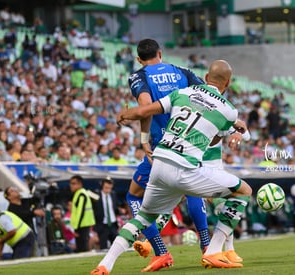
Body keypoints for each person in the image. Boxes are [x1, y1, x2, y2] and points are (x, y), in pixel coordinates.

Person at [91, 60, 251, 274]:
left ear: (205, 77)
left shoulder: (182, 93)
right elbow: (213, 141)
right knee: (244, 191)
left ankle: (104, 265)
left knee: (142, 218)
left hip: (160, 163)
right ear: (228, 83)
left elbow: (145, 111)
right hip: (186, 167)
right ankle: (213, 250)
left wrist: (124, 115)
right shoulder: (229, 110)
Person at [124, 38, 210, 263]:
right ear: (160, 53)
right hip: (189, 141)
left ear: (138, 59)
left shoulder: (139, 76)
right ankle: (207, 245)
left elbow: (144, 109)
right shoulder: (183, 71)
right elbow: (209, 97)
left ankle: (161, 251)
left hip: (161, 147)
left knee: (133, 195)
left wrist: (144, 141)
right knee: (192, 189)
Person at [69, 175, 96, 252]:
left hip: (82, 225)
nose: (71, 185)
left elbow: (81, 212)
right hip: (81, 225)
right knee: (81, 248)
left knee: (83, 248)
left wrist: (77, 228)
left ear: (80, 184)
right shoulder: (78, 194)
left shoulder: (81, 194)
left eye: (74, 183)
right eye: (71, 183)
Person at [92, 178, 119, 250]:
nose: (108, 190)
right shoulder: (96, 195)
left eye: (110, 188)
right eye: (106, 188)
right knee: (103, 246)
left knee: (116, 245)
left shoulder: (113, 194)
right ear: (102, 186)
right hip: (102, 225)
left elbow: (115, 208)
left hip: (113, 224)